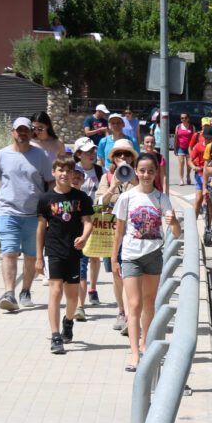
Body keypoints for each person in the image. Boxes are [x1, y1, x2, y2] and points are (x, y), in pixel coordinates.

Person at [112, 153, 181, 371]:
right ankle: (134, 353)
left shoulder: (161, 198)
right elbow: (119, 230)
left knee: (149, 303)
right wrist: (114, 258)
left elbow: (176, 233)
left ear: (155, 173)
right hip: (131, 255)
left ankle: (145, 345)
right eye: (141, 170)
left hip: (153, 255)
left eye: (150, 171)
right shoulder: (127, 198)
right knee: (134, 305)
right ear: (135, 172)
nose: (146, 175)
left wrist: (174, 221)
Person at [0, 117, 55, 310]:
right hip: (7, 212)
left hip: (33, 215)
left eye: (26, 130)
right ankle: (9, 293)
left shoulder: (41, 156)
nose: (22, 133)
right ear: (12, 132)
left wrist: (49, 211)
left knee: (30, 256)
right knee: (9, 252)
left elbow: (50, 182)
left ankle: (26, 290)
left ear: (31, 133)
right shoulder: (1, 155)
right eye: (18, 130)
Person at [35, 155, 93, 353]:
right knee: (55, 291)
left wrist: (84, 237)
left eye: (68, 171)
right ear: (54, 172)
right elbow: (41, 228)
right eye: (60, 170)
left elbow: (88, 221)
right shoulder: (45, 199)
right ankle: (55, 335)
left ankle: (68, 321)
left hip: (74, 251)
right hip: (54, 250)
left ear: (73, 174)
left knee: (72, 297)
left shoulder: (81, 198)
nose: (64, 174)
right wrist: (38, 257)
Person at [96, 139, 139, 332]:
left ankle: (131, 315)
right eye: (119, 154)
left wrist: (134, 181)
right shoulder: (107, 177)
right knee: (117, 274)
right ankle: (122, 311)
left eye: (127, 154)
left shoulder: (138, 175)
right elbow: (98, 204)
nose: (123, 158)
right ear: (113, 157)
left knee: (131, 273)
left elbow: (145, 197)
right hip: (112, 233)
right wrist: (113, 185)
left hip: (133, 233)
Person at [73, 136, 103, 317]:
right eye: (87, 151)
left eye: (93, 151)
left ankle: (92, 288)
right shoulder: (72, 172)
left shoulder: (100, 171)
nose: (91, 154)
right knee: (81, 259)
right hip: (77, 220)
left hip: (96, 218)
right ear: (78, 154)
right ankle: (80, 300)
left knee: (94, 257)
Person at [190, 126, 212, 217]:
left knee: (210, 204)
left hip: (211, 176)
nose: (208, 140)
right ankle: (193, 224)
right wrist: (194, 167)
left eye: (210, 138)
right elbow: (190, 160)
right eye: (206, 138)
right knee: (198, 200)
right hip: (200, 174)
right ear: (203, 137)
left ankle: (208, 227)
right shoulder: (198, 146)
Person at [174, 112, 195, 185]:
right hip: (180, 147)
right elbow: (176, 138)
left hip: (189, 147)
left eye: (185, 118)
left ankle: (188, 175)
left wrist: (194, 149)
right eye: (182, 118)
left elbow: (194, 138)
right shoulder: (178, 126)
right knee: (181, 162)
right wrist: (175, 148)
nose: (184, 119)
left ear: (188, 118)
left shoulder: (192, 126)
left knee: (189, 163)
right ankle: (181, 179)